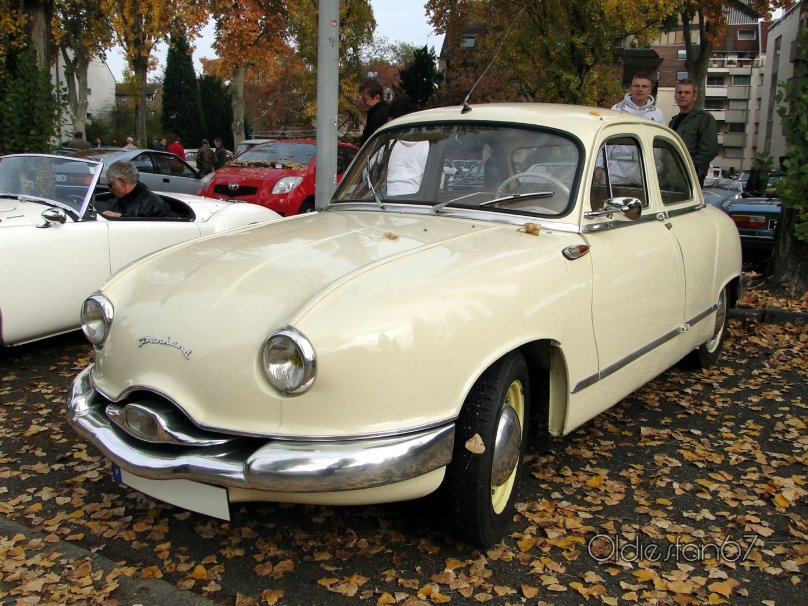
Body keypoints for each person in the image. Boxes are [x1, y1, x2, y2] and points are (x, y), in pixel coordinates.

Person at [594, 73, 664, 184]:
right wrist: (599, 165)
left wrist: (658, 169)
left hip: (643, 172)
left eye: (644, 86)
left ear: (650, 90)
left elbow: (659, 145)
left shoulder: (657, 114)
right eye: (637, 86)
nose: (640, 89)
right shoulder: (616, 110)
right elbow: (603, 139)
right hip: (615, 170)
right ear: (631, 88)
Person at [669, 78, 718, 185]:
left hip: (690, 179)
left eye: (687, 93)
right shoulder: (673, 122)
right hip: (671, 177)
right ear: (675, 95)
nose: (682, 95)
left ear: (694, 96)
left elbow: (710, 150)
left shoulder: (704, 119)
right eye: (679, 92)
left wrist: (693, 169)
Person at [384, 95, 429, 196]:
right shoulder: (427, 146)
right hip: (418, 201)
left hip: (384, 200)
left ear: (393, 120)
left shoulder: (385, 146)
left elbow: (368, 175)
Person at [101, 160, 173, 218]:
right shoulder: (118, 198)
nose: (110, 189)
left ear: (122, 181)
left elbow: (150, 231)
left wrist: (121, 217)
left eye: (110, 185)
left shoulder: (153, 206)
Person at [359, 78, 389, 145]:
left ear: (377, 97)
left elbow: (370, 142)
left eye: (365, 99)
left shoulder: (377, 116)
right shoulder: (385, 111)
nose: (363, 103)